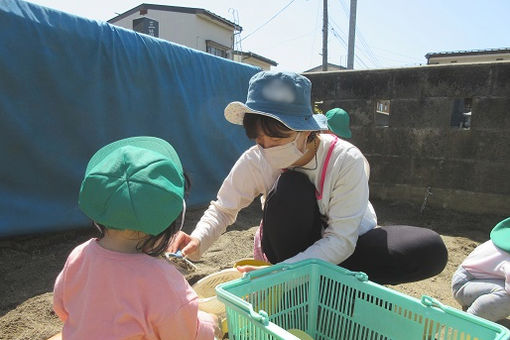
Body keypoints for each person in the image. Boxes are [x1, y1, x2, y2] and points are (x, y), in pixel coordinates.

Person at [170, 71, 447, 285]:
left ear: (306, 130)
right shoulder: (257, 158)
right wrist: (198, 240)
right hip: (288, 248)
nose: (267, 148)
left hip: (345, 247)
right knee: (291, 187)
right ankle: (293, 282)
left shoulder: (345, 160)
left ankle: (322, 283)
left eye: (278, 137)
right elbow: (224, 208)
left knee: (428, 248)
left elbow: (341, 240)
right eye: (259, 139)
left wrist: (280, 273)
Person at [53, 136, 220, 339]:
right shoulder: (163, 280)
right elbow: (184, 335)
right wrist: (209, 325)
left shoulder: (78, 256)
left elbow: (62, 308)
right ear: (167, 223)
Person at [452, 217, 510, 322]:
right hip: (464, 284)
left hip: (479, 281)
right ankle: (470, 321)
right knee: (508, 299)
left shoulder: (506, 239)